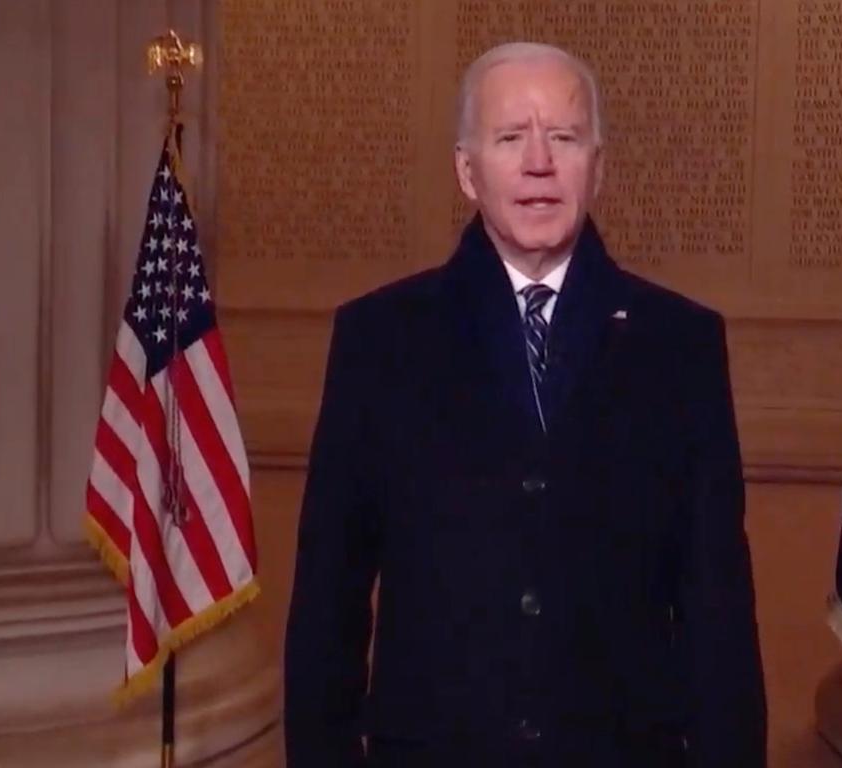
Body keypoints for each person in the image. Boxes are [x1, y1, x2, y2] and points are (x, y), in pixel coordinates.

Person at [284, 41, 766, 768]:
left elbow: (718, 617)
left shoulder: (681, 347)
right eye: (511, 138)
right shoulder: (379, 341)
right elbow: (329, 603)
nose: (539, 162)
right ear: (467, 169)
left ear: (597, 166)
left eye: (564, 138)